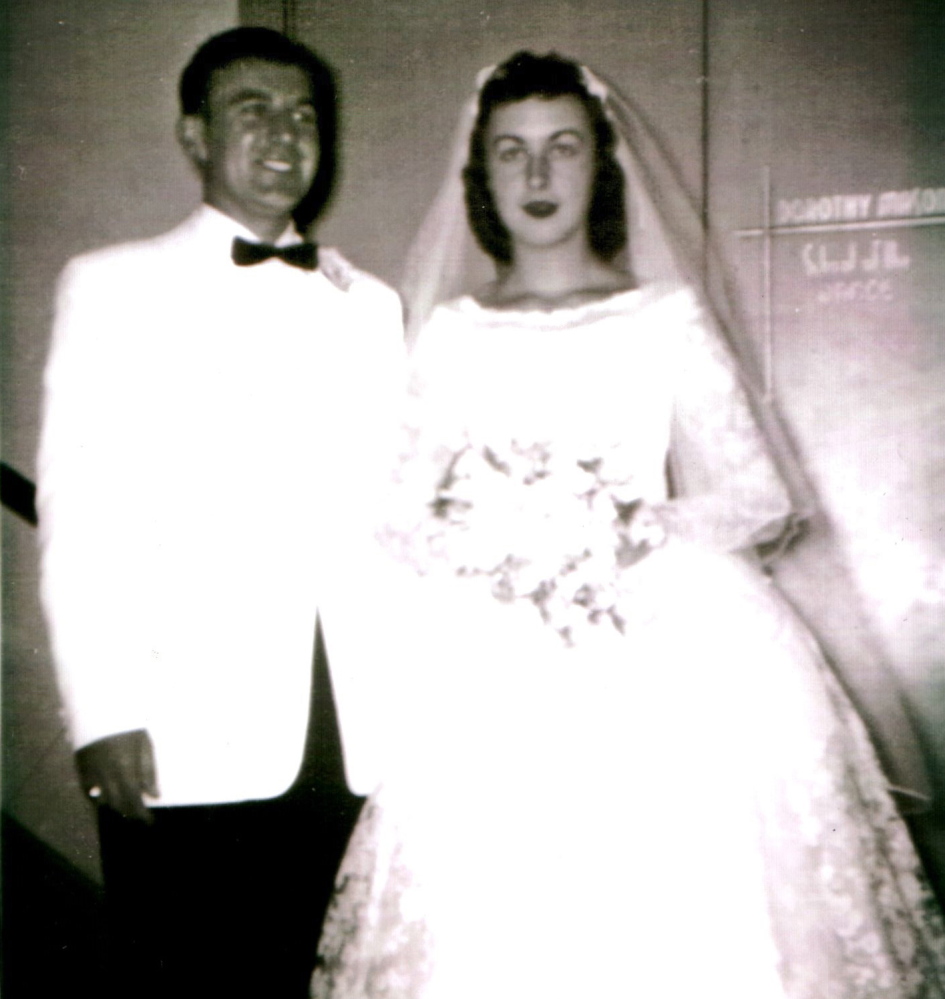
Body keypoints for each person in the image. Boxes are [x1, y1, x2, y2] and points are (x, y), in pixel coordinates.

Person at [309, 52, 945, 998]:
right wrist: (502, 546)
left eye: (561, 148)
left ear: (599, 165)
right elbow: (397, 521)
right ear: (479, 173)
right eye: (510, 152)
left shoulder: (665, 317)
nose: (536, 176)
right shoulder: (453, 332)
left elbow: (757, 496)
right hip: (502, 661)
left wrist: (630, 525)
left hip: (672, 647)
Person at [36, 26, 404, 999]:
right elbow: (82, 516)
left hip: (354, 725)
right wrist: (101, 712)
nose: (284, 135)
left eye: (303, 116)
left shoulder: (372, 305)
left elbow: (395, 515)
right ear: (194, 136)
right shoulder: (112, 285)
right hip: (186, 728)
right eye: (254, 112)